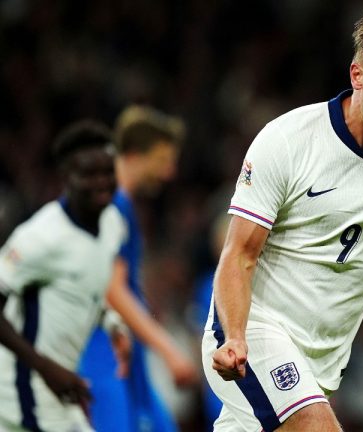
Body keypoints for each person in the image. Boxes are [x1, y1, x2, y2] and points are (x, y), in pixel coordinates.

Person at [202, 11, 363, 431]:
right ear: (358, 75)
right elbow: (239, 254)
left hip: (322, 363)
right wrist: (235, 335)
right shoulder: (289, 141)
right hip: (254, 336)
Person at [78, 105, 198, 432]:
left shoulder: (122, 204)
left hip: (124, 351)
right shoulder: (112, 204)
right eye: (162, 160)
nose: (169, 172)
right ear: (134, 155)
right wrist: (169, 349)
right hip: (102, 351)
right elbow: (112, 289)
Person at [0, 120, 125, 431]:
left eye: (107, 172)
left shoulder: (112, 224)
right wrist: (45, 368)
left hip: (59, 391)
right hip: (19, 394)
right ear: (66, 176)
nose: (101, 182)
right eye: (89, 174)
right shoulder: (40, 237)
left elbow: (85, 289)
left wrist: (112, 324)